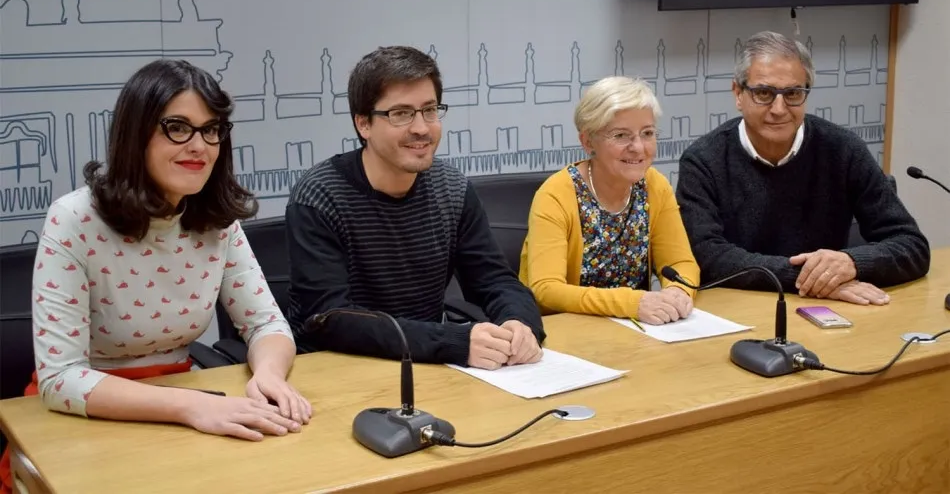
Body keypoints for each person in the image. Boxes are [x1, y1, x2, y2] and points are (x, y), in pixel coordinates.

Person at [0, 60, 312, 490]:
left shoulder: (217, 221)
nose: (199, 145)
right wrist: (190, 407)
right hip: (85, 416)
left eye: (211, 129)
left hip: (185, 406)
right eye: (177, 127)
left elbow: (265, 324)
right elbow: (60, 378)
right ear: (136, 134)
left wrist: (268, 375)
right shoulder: (74, 219)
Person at [285, 45, 545, 371]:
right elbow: (330, 319)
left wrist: (519, 324)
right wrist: (453, 342)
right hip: (338, 369)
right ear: (363, 124)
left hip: (430, 364)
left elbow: (495, 281)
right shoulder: (319, 197)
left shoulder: (452, 188)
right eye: (401, 113)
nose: (422, 128)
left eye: (430, 110)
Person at [676, 30, 930, 304]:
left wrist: (851, 262)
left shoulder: (843, 149)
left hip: (826, 312)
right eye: (764, 93)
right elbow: (706, 256)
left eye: (793, 93)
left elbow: (912, 245)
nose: (779, 108)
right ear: (738, 94)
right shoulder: (703, 161)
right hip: (737, 312)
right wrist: (807, 278)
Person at [518, 76, 700, 325]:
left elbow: (680, 262)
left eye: (647, 133)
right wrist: (632, 303)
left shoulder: (654, 186)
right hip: (563, 333)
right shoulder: (556, 195)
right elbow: (546, 289)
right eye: (621, 135)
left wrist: (678, 292)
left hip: (636, 331)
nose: (638, 147)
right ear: (588, 141)